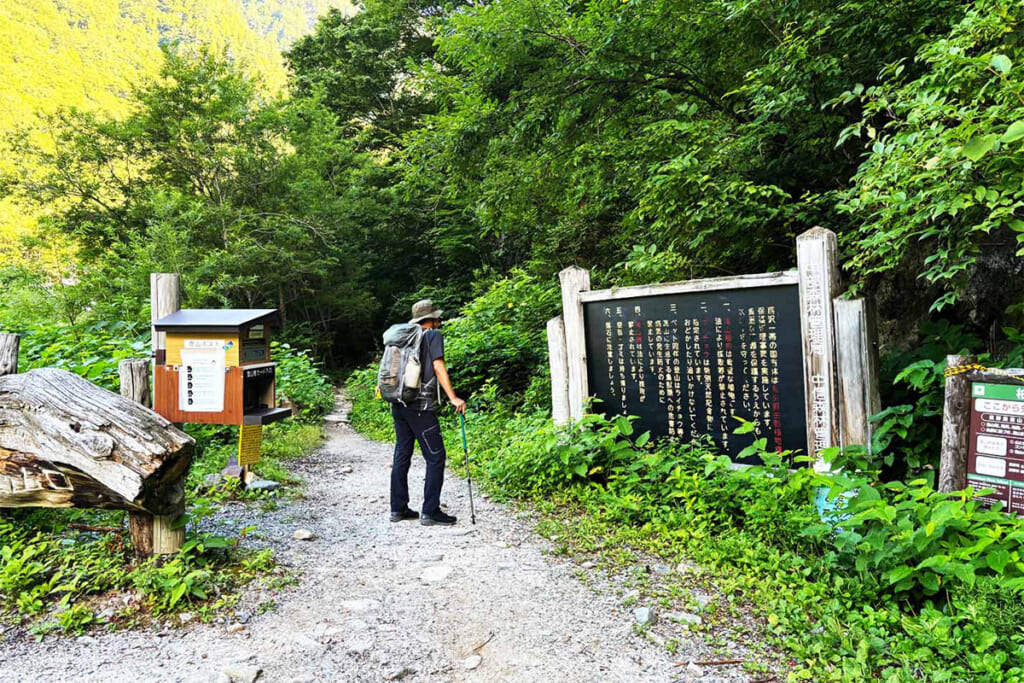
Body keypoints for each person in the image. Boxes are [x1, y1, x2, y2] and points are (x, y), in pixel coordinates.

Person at [390, 299, 467, 526]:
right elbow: (437, 366)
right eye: (437, 317)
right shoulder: (431, 336)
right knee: (436, 456)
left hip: (399, 404)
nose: (439, 320)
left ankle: (398, 508)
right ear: (431, 319)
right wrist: (453, 397)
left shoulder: (402, 339)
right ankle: (430, 511)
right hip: (421, 406)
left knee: (402, 454)